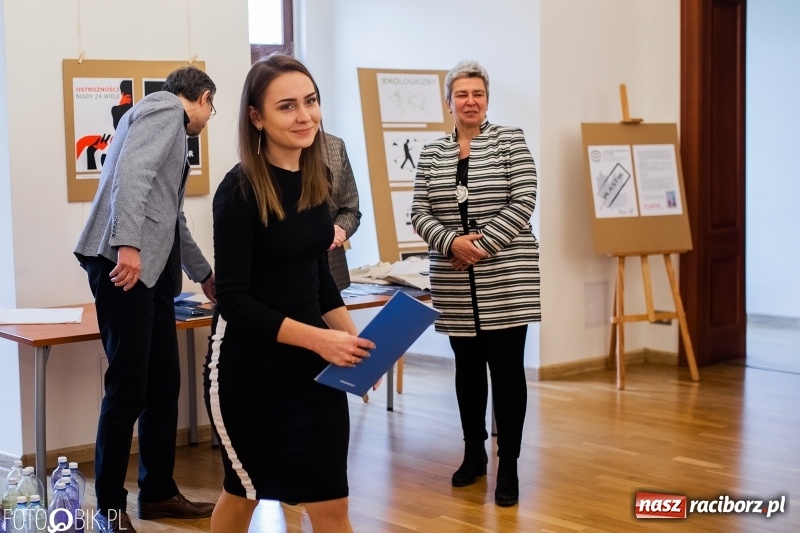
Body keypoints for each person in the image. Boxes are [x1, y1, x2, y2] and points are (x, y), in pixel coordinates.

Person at [203, 53, 376, 533]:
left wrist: (353, 343)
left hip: (311, 370)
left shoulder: (315, 181)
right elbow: (234, 301)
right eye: (287, 106)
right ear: (256, 117)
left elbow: (317, 276)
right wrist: (323, 341)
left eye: (311, 101)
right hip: (248, 373)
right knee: (245, 494)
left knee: (332, 504)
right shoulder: (238, 191)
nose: (305, 116)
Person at [73, 65, 218, 533]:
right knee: (128, 389)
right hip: (124, 264)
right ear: (202, 97)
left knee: (161, 385)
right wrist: (128, 246)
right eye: (211, 108)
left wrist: (205, 274)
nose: (209, 117)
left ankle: (157, 494)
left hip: (151, 272)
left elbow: (171, 216)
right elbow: (131, 178)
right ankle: (111, 508)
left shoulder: (163, 122)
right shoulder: (164, 109)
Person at [411, 60, 541, 507]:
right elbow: (419, 212)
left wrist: (478, 247)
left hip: (506, 276)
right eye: (462, 94)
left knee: (507, 374)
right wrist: (451, 243)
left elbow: (523, 202)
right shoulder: (431, 153)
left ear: (487, 100)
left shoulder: (511, 141)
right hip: (453, 280)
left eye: (478, 94)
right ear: (448, 102)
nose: (470, 101)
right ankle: (473, 455)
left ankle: (510, 465)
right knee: (467, 372)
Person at [323, 132, 361, 290]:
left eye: (310, 105)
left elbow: (351, 210)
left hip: (330, 272)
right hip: (282, 280)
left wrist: (340, 229)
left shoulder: (334, 145)